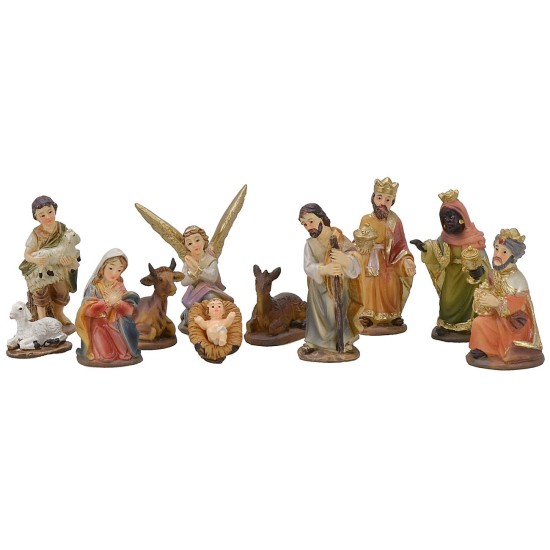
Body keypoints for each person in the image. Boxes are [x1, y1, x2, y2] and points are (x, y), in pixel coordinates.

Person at [410, 189, 489, 341]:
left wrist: (478, 271)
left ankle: (468, 326)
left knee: (469, 302)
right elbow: (436, 248)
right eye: (444, 218)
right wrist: (424, 247)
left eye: (452, 216)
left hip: (469, 280)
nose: (448, 221)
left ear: (462, 217)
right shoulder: (445, 237)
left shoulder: (473, 238)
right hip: (452, 276)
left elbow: (484, 262)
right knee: (447, 301)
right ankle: (447, 325)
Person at [468, 229, 544, 368]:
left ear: (512, 256)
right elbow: (488, 287)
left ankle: (501, 350)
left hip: (514, 322)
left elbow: (518, 303)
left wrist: (497, 303)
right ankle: (483, 348)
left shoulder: (517, 279)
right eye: (496, 249)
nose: (497, 255)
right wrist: (482, 295)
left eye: (504, 252)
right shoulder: (494, 273)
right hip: (498, 315)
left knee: (493, 327)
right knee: (478, 322)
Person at [298, 203, 363, 361]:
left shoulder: (339, 238)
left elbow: (355, 260)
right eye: (304, 224)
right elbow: (307, 266)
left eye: (311, 221)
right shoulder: (310, 244)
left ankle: (344, 341)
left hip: (338, 286)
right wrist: (323, 269)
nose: (309, 227)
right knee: (317, 316)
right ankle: (314, 341)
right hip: (317, 288)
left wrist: (345, 261)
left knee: (336, 313)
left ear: (321, 218)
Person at [355, 177, 415, 333]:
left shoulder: (395, 221)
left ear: (392, 201)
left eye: (388, 199)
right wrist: (360, 248)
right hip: (369, 258)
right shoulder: (366, 219)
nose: (382, 202)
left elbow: (401, 244)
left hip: (389, 259)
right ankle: (367, 314)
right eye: (379, 198)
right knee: (369, 285)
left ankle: (392, 314)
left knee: (391, 283)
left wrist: (406, 260)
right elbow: (359, 239)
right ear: (373, 198)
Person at [19, 195, 80, 329]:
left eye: (50, 212)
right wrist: (35, 260)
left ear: (55, 210)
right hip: (41, 267)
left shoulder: (62, 229)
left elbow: (69, 246)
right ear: (36, 217)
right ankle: (42, 320)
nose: (48, 217)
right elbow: (27, 254)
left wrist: (68, 260)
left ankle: (58, 312)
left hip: (58, 267)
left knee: (62, 290)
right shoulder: (36, 233)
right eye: (42, 215)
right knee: (40, 290)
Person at [75, 249, 141, 366]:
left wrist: (117, 303)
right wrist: (106, 302)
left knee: (123, 350)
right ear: (103, 267)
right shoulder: (94, 287)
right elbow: (87, 309)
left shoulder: (119, 286)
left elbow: (129, 311)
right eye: (111, 268)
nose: (114, 273)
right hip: (97, 324)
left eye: (119, 270)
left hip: (115, 323)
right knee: (106, 355)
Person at [178, 225, 233, 332]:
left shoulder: (210, 259)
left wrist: (199, 272)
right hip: (195, 291)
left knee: (210, 297)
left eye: (197, 240)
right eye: (189, 243)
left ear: (204, 241)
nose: (195, 245)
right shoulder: (188, 261)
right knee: (193, 305)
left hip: (210, 288)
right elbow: (183, 281)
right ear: (186, 247)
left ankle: (215, 321)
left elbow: (212, 277)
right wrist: (192, 275)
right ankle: (193, 317)